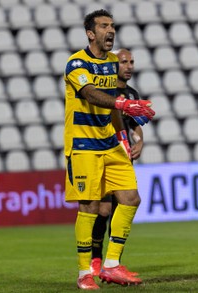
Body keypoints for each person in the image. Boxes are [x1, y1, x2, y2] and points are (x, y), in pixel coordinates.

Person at [63, 9, 155, 290]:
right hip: (83, 144)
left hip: (110, 143)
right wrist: (123, 105)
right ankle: (84, 273)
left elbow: (113, 101)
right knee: (90, 207)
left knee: (130, 198)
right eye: (103, 26)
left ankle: (112, 265)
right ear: (91, 33)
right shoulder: (76, 63)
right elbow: (91, 93)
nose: (110, 30)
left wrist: (125, 136)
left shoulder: (113, 61)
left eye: (112, 26)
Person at [90, 48, 144, 277]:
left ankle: (113, 262)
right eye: (124, 62)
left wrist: (139, 141)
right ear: (114, 64)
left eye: (131, 61)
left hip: (123, 155)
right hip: (103, 153)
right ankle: (95, 258)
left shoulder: (131, 94)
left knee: (121, 207)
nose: (129, 66)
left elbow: (135, 123)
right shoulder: (104, 90)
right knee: (102, 209)